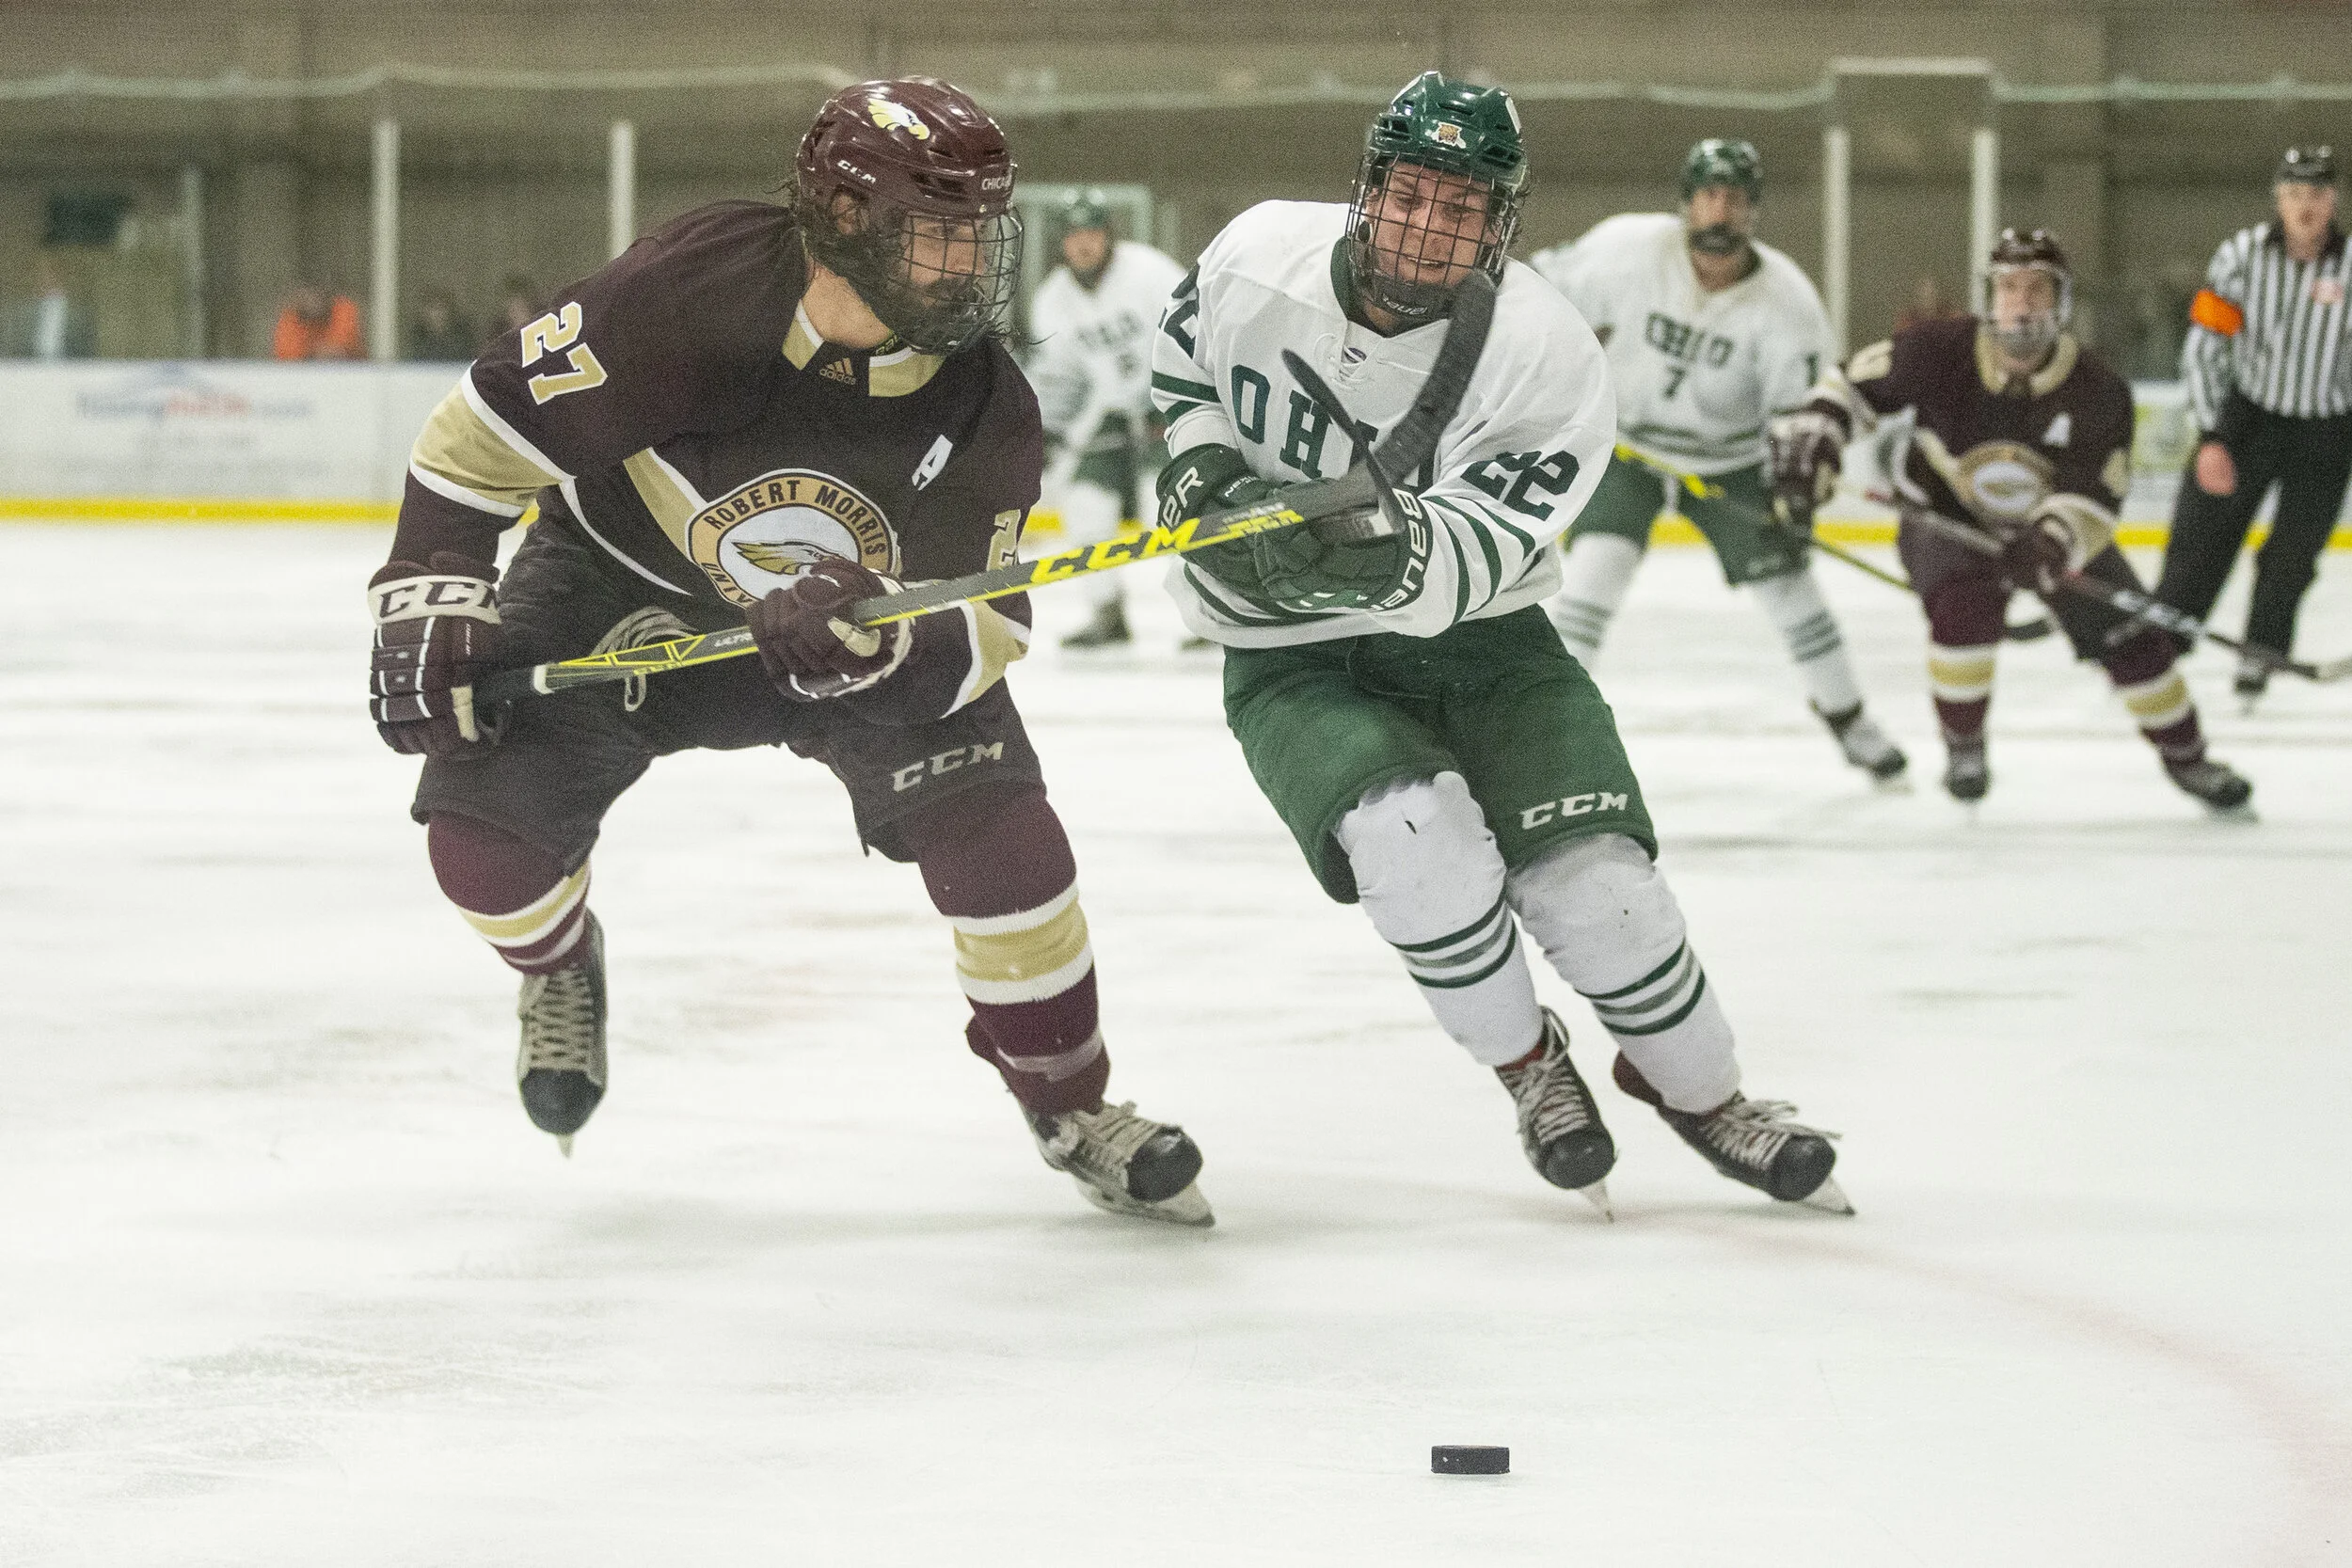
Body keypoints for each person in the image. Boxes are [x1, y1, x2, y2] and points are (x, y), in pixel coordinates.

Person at [365, 77, 1211, 1225]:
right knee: (481, 846)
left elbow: (987, 627)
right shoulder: (686, 291)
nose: (969, 263)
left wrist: (881, 635)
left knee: (1010, 852)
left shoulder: (987, 404)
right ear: (846, 217)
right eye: (937, 230)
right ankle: (557, 962)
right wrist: (429, 586)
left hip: (850, 640)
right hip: (618, 586)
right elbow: (483, 433)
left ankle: (1070, 1104)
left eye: (980, 231)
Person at [1151, 71, 1849, 1215]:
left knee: (1602, 892)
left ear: (1500, 220)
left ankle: (1703, 1094)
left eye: (1461, 205)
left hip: (1484, 643)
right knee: (1411, 842)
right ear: (1369, 186)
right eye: (1409, 193)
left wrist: (1355, 555)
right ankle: (1530, 1067)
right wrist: (1202, 468)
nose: (1428, 226)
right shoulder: (1255, 253)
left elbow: (1471, 549)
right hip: (1290, 658)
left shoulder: (1544, 349)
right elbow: (1186, 365)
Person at [1771, 230, 2253, 813]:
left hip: (2049, 533)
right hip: (1944, 517)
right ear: (1989, 298)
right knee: (1963, 612)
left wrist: (2052, 541)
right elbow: (1848, 387)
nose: (2021, 305)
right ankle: (1964, 748)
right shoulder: (1939, 349)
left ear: (2062, 302)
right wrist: (1816, 440)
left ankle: (2189, 759)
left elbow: (2095, 497)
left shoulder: (2100, 391)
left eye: (2037, 290)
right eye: (2008, 289)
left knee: (2133, 640)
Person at [1529, 140, 1906, 784]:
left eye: (1734, 198)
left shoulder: (1789, 304)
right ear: (1686, 203)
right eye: (1708, 196)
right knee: (1592, 576)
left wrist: (1794, 491)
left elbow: (1800, 417)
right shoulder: (1629, 249)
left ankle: (1849, 721)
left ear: (1753, 211)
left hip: (1732, 463)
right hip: (1628, 448)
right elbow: (1537, 290)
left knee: (1790, 591)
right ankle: (1551, 725)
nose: (1720, 211)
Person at [2155, 145, 2352, 707]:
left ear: (2332, 201)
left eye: (2316, 195)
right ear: (2278, 199)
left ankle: (2260, 653)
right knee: (2201, 536)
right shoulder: (2239, 257)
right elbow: (2206, 346)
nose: (2305, 206)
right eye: (2294, 194)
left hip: (2327, 430)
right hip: (2248, 420)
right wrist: (2211, 436)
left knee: (2292, 555)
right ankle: (2163, 640)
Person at [1025, 188, 1188, 648]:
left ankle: (1211, 610)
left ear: (1108, 235)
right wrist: (1048, 434)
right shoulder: (1053, 300)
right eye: (1074, 234)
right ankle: (1107, 613)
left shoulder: (1151, 273)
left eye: (1092, 232)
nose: (1083, 244)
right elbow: (1059, 378)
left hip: (1172, 405)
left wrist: (1179, 399)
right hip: (1113, 412)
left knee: (1169, 508)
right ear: (1062, 242)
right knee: (1085, 506)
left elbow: (1198, 335)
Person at [1, 254, 96, 359]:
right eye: (40, 274)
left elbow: (87, 351)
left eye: (52, 274)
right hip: (29, 366)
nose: (45, 279)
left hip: (69, 366)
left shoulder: (79, 314)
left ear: (62, 276)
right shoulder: (22, 312)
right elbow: (12, 349)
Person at [273, 282, 365, 360]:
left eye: (316, 294)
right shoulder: (291, 320)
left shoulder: (343, 311)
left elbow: (341, 351)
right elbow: (287, 359)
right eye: (306, 295)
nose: (312, 300)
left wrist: (315, 353)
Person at [407, 287, 478, 361]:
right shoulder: (418, 335)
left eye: (440, 307)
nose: (437, 313)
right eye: (432, 308)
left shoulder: (461, 333)